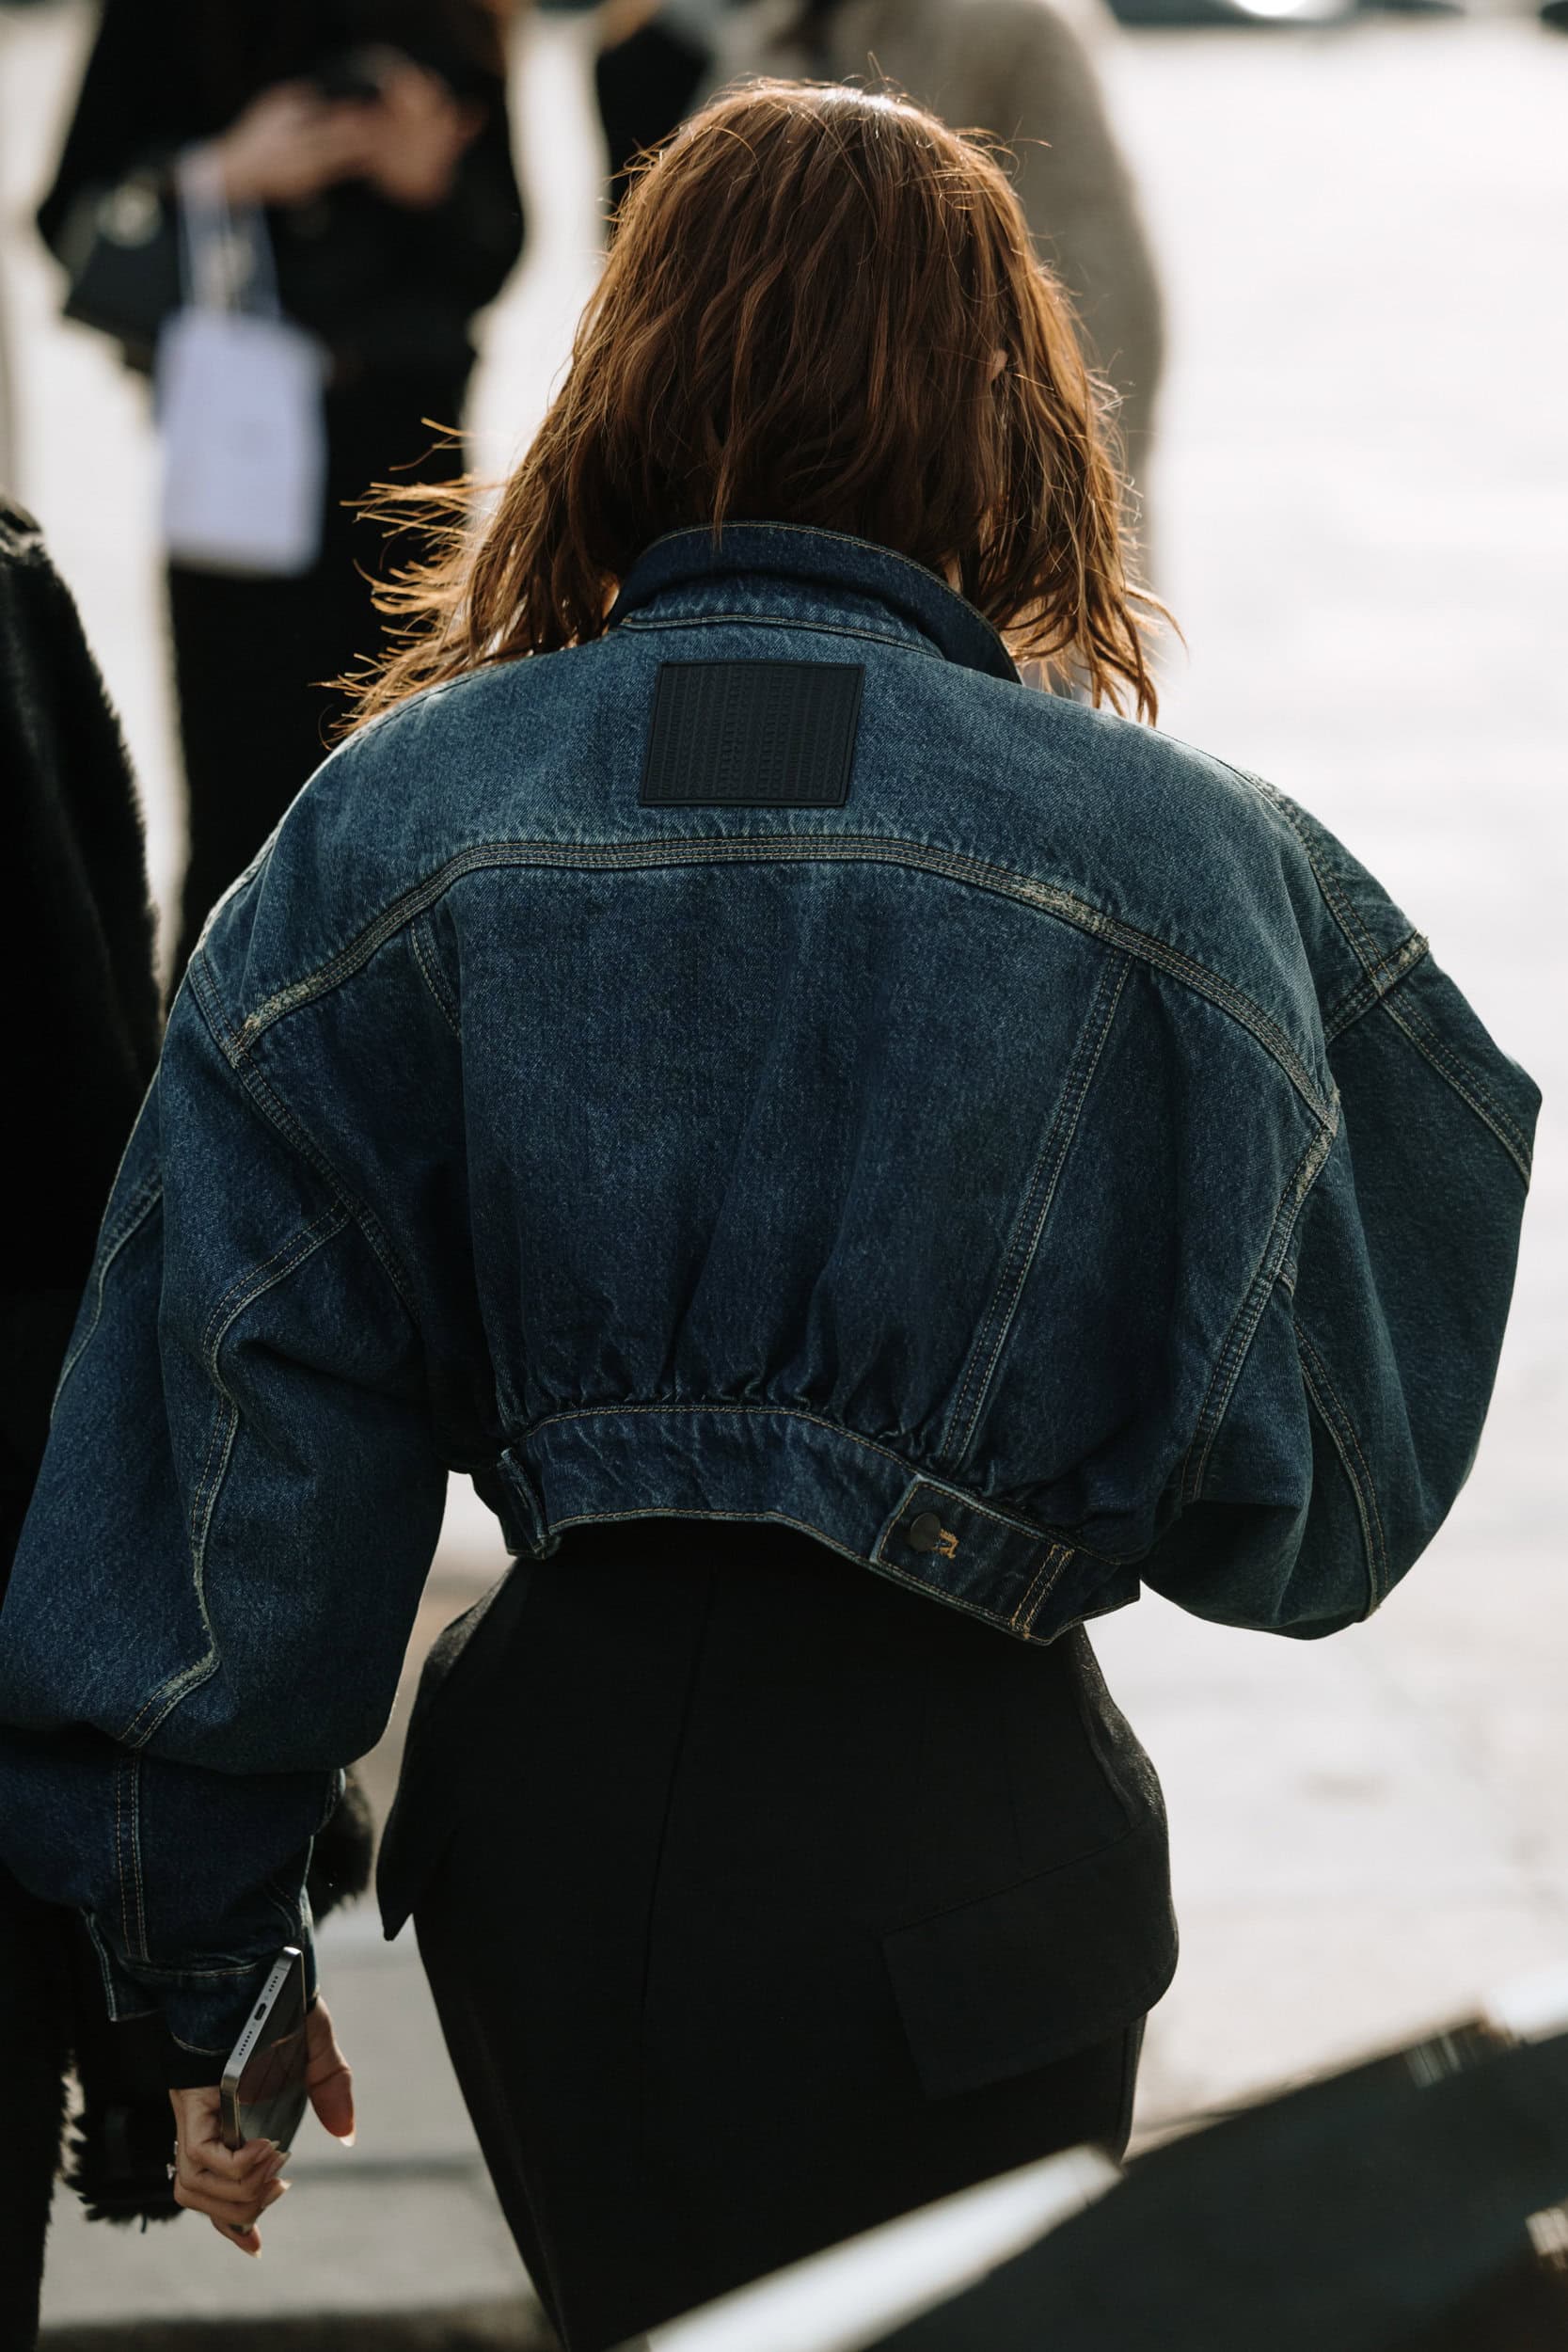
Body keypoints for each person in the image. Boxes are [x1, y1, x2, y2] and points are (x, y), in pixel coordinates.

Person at [0, 83, 1537, 2352]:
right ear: (1006, 404)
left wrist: (198, 1959)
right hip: (974, 1828)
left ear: (627, 375)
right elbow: (1331, 1485)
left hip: (551, 1828)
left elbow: (234, 1427)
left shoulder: (391, 823)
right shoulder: (1181, 858)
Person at [36, 0, 525, 976]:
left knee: (410, 797)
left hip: (403, 458)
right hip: (238, 449)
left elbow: (503, 244)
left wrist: (425, 175)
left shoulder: (451, 15)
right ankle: (213, 1052)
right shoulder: (162, 19)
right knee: (236, 813)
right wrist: (218, 173)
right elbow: (67, 216)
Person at [595, 0, 1164, 552]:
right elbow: (686, 289)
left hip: (961, 510)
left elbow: (1102, 292)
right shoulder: (766, 40)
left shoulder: (1012, 29)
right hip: (751, 519)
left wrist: (1042, 522)